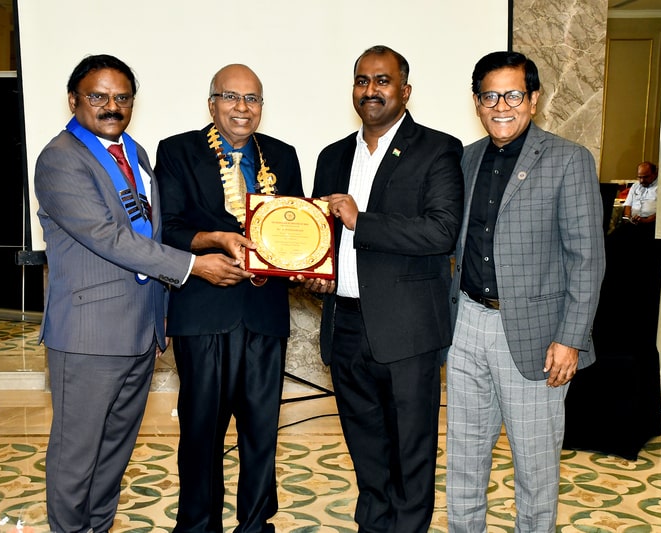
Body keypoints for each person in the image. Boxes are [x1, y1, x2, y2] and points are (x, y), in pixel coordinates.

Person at [34, 54, 249, 533]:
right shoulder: (61, 158)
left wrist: (163, 311)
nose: (111, 106)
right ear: (73, 100)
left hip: (139, 330)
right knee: (77, 457)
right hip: (88, 336)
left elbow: (150, 232)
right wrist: (193, 265)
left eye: (122, 97)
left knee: (114, 453)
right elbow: (108, 237)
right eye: (98, 96)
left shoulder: (135, 154)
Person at [303, 45, 464, 533]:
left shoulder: (438, 149)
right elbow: (323, 237)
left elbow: (442, 232)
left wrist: (362, 221)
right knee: (366, 450)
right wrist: (316, 272)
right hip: (345, 325)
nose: (370, 90)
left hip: (407, 331)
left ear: (405, 91)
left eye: (382, 81)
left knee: (411, 454)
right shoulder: (332, 155)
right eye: (362, 80)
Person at [445, 51, 606, 533]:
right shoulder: (465, 159)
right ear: (477, 102)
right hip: (466, 326)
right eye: (490, 96)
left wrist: (570, 339)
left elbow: (587, 259)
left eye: (513, 95)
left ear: (534, 99)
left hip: (537, 338)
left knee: (535, 469)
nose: (501, 106)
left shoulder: (568, 159)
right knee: (464, 460)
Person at [153, 64, 303, 533]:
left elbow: (296, 228)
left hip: (264, 312)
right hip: (204, 311)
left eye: (252, 99)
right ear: (212, 104)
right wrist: (214, 240)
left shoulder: (282, 155)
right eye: (231, 97)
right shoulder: (177, 151)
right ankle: (198, 525)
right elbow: (168, 228)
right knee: (201, 431)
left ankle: (256, 524)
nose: (242, 108)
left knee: (261, 432)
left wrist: (304, 264)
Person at [623, 160, 658, 226]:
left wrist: (646, 221)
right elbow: (628, 206)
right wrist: (629, 219)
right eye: (639, 177)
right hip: (633, 221)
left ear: (655, 174)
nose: (642, 181)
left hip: (652, 223)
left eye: (646, 177)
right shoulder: (635, 186)